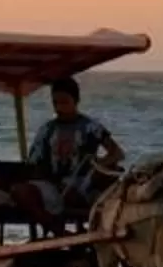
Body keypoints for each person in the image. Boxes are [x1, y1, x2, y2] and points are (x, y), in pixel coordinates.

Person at [24, 75, 124, 220]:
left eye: (64, 102)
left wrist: (97, 165)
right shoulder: (47, 130)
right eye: (55, 103)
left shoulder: (90, 127)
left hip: (81, 184)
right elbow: (33, 163)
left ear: (76, 101)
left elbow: (117, 153)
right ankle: (54, 228)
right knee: (21, 191)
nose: (59, 108)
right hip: (52, 185)